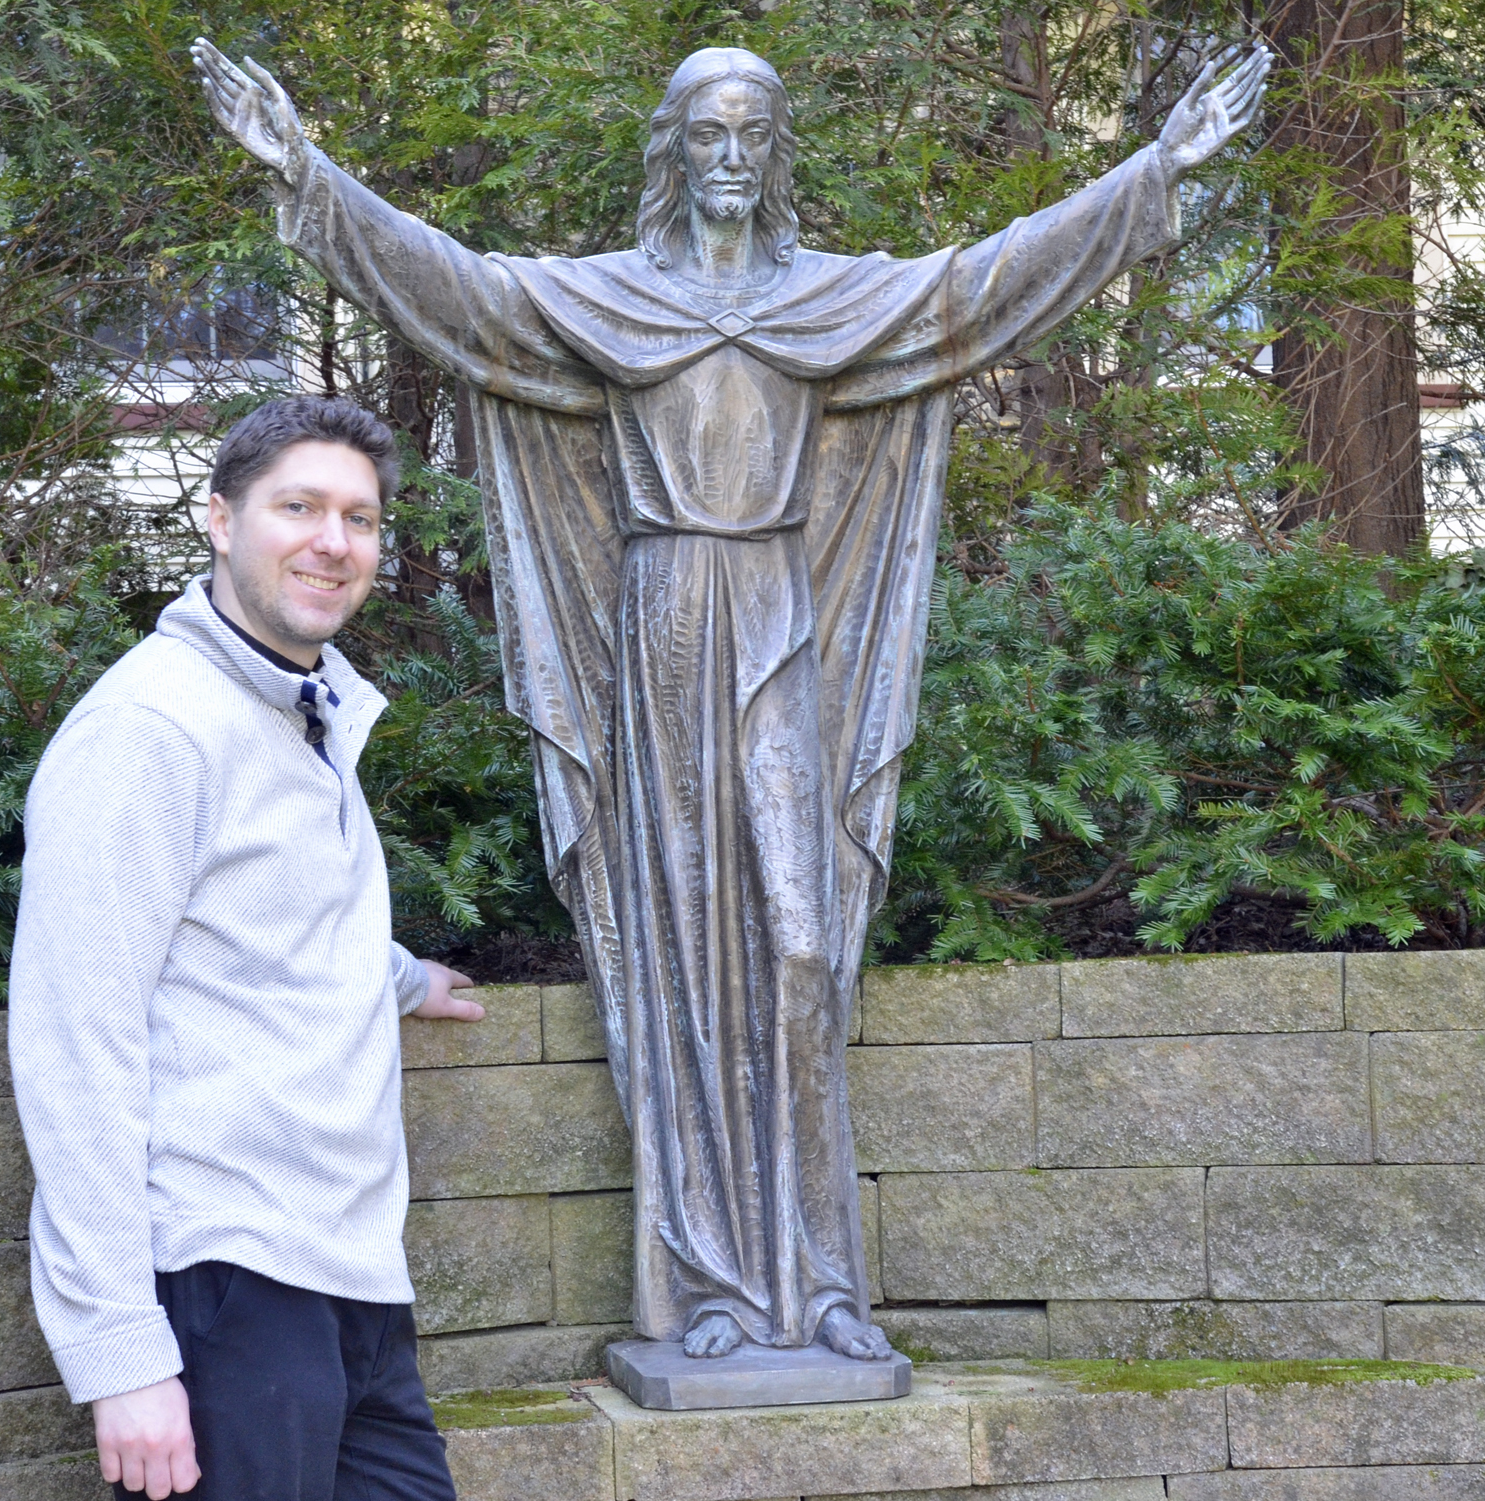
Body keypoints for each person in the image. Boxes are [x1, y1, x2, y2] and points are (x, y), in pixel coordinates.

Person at [193, 39, 1269, 1362]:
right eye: (707, 131)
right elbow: (458, 290)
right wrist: (308, 172)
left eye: (754, 132)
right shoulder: (612, 300)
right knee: (686, 952)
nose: (731, 155)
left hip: (778, 621)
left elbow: (988, 284)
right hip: (660, 637)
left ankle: (819, 1283)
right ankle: (708, 1283)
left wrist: (1157, 169)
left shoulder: (826, 299)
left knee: (803, 947)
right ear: (673, 149)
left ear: (777, 153)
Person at [9, 394, 484, 1501]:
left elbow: (275, 919)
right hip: (224, 1283)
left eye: (359, 518)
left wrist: (402, 978)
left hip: (351, 1279)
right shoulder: (150, 730)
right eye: (299, 507)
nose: (334, 541)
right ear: (222, 521)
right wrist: (121, 1352)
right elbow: (76, 1039)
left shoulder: (301, 709)